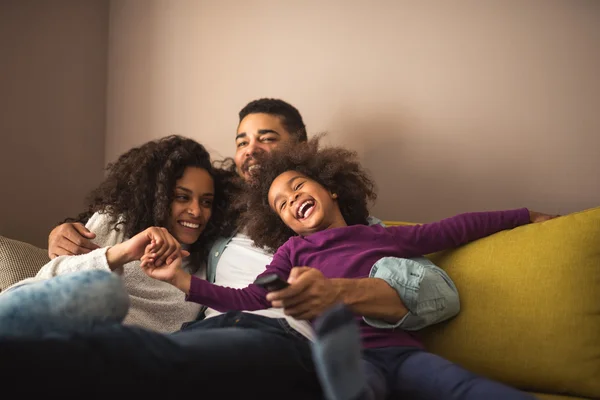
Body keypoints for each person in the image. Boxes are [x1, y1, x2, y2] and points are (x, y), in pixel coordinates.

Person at [0, 99, 460, 398]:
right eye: (242, 141)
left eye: (267, 138)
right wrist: (68, 229)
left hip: (283, 341)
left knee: (150, 359)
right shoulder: (214, 223)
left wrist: (338, 291)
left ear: (298, 151)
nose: (251, 149)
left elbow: (439, 294)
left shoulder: (346, 227)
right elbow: (147, 209)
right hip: (211, 332)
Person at [139, 135, 555, 399]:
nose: (291, 200)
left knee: (463, 386)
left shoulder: (378, 235)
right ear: (281, 224)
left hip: (402, 352)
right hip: (352, 361)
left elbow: (455, 228)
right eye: (280, 205)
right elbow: (246, 298)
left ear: (331, 187)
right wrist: (180, 280)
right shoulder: (292, 256)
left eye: (297, 186)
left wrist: (523, 215)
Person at [0, 134, 231, 335]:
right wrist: (124, 252)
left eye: (206, 202)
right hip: (38, 318)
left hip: (112, 352)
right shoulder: (116, 222)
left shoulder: (203, 263)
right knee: (105, 290)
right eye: (182, 197)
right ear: (158, 196)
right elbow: (48, 278)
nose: (196, 211)